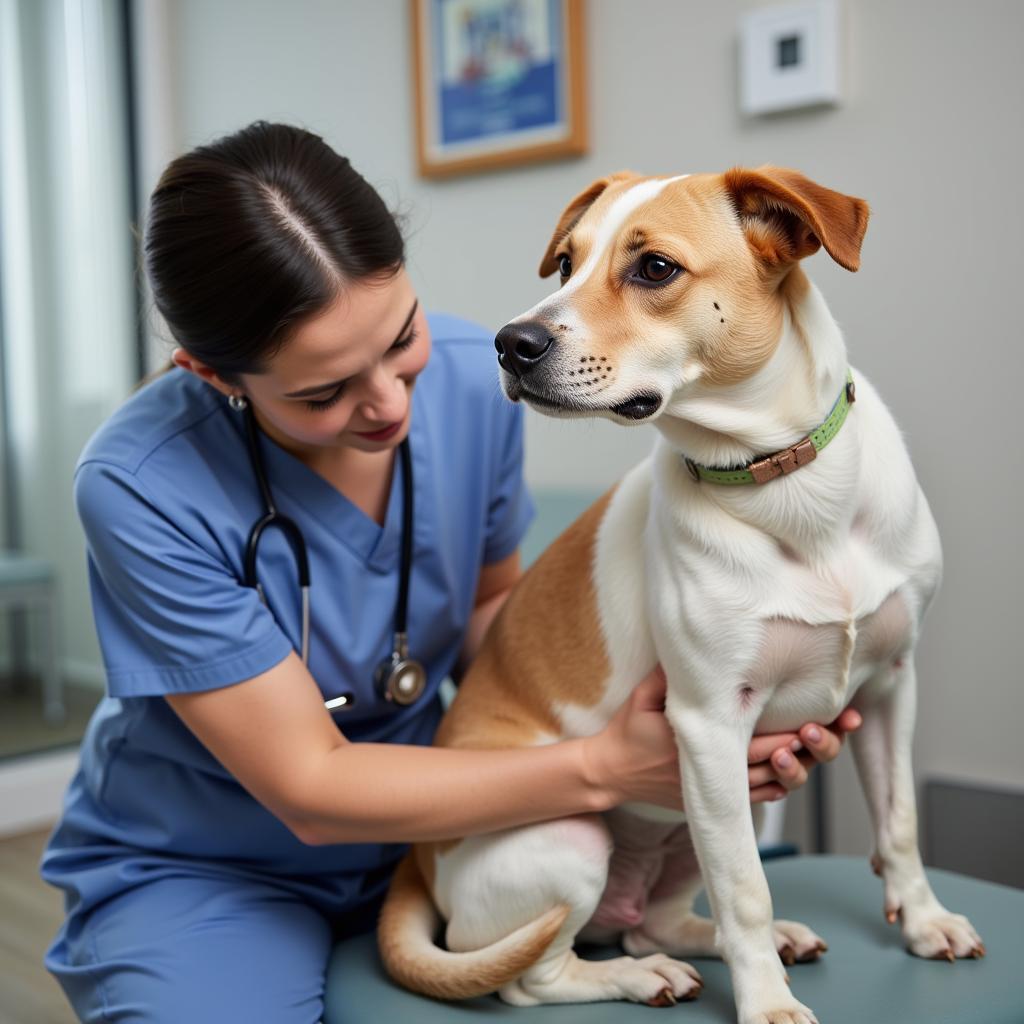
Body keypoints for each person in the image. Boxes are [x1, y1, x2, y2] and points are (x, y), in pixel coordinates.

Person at [40, 121, 862, 1024]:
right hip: (211, 864)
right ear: (211, 374)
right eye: (322, 394)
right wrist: (608, 767)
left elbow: (493, 618)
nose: (390, 403)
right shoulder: (140, 483)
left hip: (450, 815)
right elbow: (311, 789)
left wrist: (694, 721)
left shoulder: (476, 376)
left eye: (401, 338)